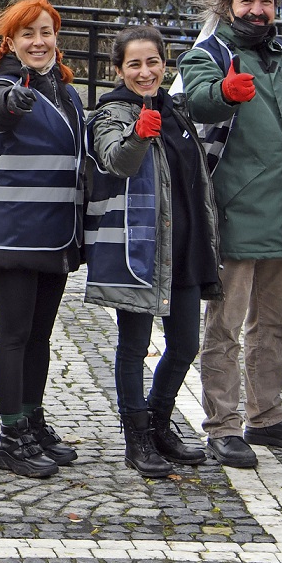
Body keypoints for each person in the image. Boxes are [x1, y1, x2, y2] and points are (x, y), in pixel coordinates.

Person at [179, 0, 282, 469]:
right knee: (224, 328)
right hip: (234, 214)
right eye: (248, 1)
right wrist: (223, 93)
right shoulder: (209, 53)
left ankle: (267, 416)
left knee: (275, 324)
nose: (258, 10)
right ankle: (221, 426)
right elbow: (196, 100)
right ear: (229, 3)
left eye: (266, 1)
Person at [85, 26, 221, 478]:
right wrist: (138, 136)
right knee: (134, 345)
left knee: (185, 344)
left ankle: (161, 423)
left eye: (153, 62)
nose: (145, 72)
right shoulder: (110, 114)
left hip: (183, 248)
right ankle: (137, 436)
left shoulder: (177, 110)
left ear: (166, 64)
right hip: (137, 252)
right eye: (135, 64)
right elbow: (116, 160)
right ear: (119, 69)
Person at [0, 0, 86, 479]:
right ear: (11, 41)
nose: (39, 42)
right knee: (15, 334)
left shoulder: (65, 90)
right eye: (28, 34)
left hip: (56, 233)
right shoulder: (3, 81)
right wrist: (12, 101)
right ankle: (11, 436)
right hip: (15, 232)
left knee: (40, 335)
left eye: (46, 32)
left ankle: (33, 419)